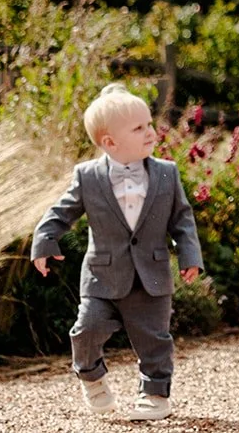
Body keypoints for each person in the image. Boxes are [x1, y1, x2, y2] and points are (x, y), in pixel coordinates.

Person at [31, 83, 203, 422]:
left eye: (149, 124)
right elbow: (61, 212)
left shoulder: (166, 174)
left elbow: (182, 218)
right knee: (87, 329)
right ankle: (91, 377)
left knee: (155, 339)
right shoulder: (88, 176)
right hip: (102, 275)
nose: (151, 131)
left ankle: (155, 393)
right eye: (139, 128)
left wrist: (189, 255)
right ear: (110, 142)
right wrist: (45, 240)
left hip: (151, 276)